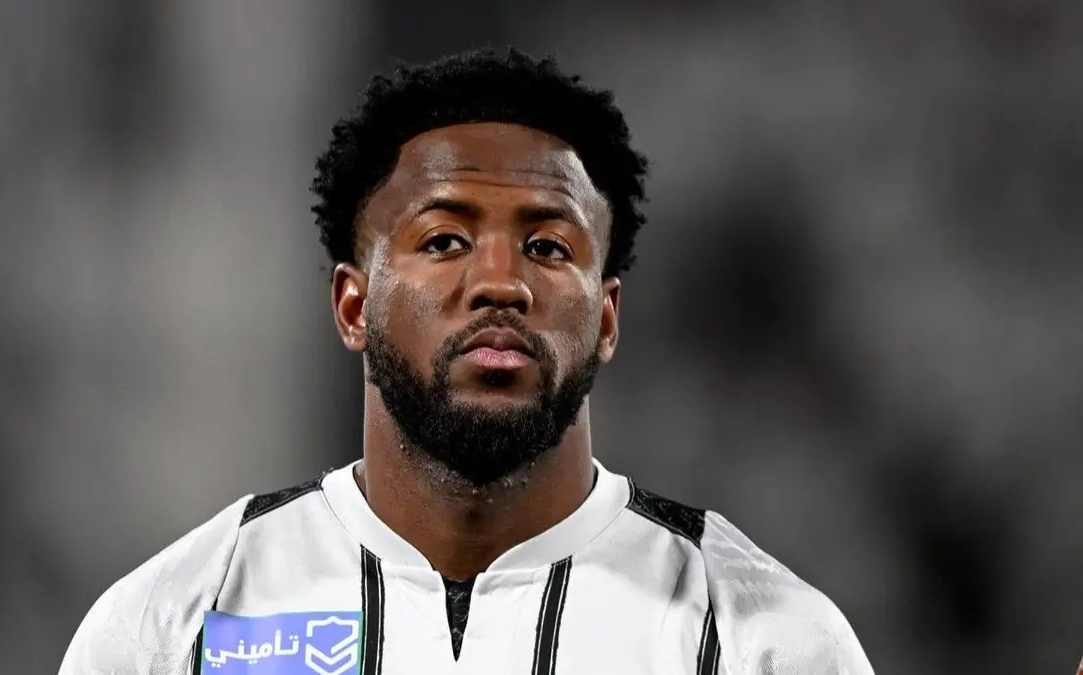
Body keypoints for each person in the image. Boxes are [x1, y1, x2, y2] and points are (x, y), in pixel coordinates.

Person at [58, 48, 874, 675]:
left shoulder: (762, 638)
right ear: (353, 305)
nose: (500, 283)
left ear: (606, 318)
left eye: (548, 246)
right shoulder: (174, 623)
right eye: (445, 239)